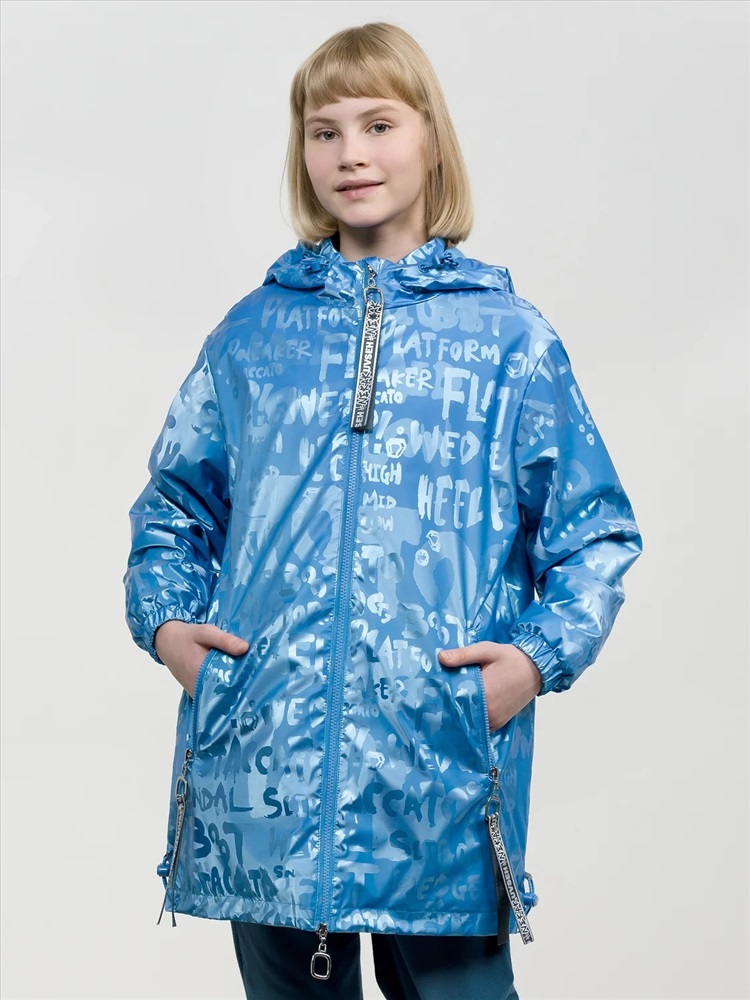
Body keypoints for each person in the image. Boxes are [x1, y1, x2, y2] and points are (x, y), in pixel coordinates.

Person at [124, 21, 642, 1000]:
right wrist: (173, 634)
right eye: (324, 132)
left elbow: (595, 534)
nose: (350, 154)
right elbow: (174, 509)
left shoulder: (510, 343)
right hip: (264, 781)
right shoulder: (252, 336)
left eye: (378, 125)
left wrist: (531, 662)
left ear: (431, 138)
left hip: (437, 777)